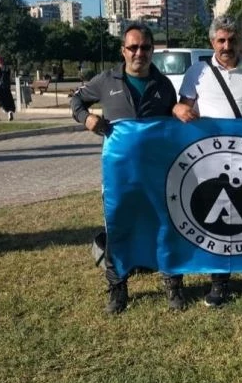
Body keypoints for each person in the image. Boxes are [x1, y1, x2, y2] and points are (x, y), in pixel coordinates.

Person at [71, 23, 183, 314]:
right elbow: (77, 100)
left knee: (164, 226)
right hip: (119, 175)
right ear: (123, 51)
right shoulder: (106, 80)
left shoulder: (164, 85)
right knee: (119, 227)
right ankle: (117, 289)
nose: (139, 53)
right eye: (133, 47)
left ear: (153, 50)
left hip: (157, 174)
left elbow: (173, 121)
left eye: (145, 47)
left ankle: (173, 284)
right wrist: (86, 119)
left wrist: (176, 110)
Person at [173, 16, 242, 308]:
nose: (226, 46)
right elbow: (184, 106)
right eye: (221, 40)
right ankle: (218, 281)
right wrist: (179, 109)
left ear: (241, 42)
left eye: (232, 40)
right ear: (212, 43)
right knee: (214, 220)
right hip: (210, 161)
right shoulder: (197, 72)